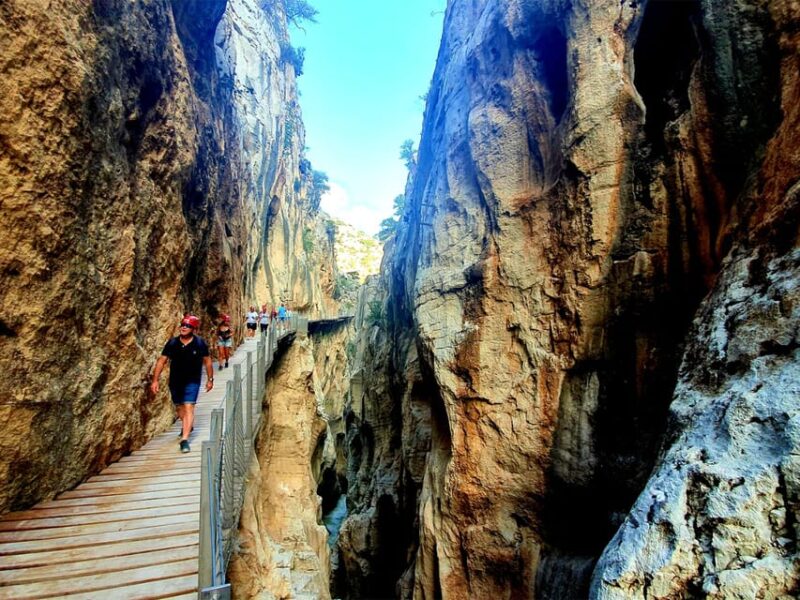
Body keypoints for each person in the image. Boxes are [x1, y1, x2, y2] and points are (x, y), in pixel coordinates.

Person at [151, 315, 213, 453]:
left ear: (193, 329)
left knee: (189, 406)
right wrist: (155, 380)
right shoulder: (172, 343)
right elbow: (162, 361)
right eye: (183, 324)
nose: (184, 327)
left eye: (188, 325)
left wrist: (210, 379)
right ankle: (188, 425)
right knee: (179, 408)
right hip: (175, 381)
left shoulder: (199, 343)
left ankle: (184, 439)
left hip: (192, 380)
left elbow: (207, 361)